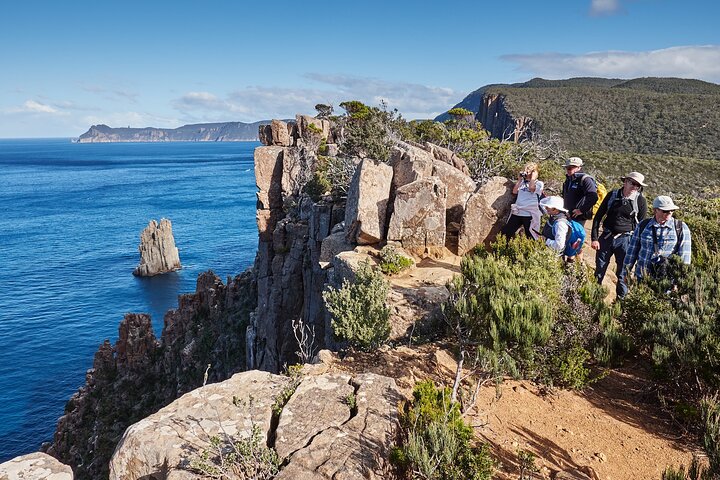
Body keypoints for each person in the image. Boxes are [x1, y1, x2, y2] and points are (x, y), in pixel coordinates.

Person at [590, 172, 648, 298]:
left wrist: (638, 248)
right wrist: (594, 238)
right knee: (599, 269)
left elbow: (641, 226)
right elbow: (598, 217)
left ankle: (621, 304)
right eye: (633, 183)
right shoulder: (613, 195)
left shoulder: (640, 201)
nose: (635, 187)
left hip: (626, 240)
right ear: (625, 182)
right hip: (606, 237)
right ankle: (593, 298)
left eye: (638, 185)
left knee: (623, 273)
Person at [623, 195, 692, 282]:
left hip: (666, 281)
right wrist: (626, 272)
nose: (669, 213)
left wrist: (679, 282)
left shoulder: (680, 228)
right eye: (665, 211)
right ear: (655, 210)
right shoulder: (643, 225)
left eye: (672, 210)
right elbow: (632, 251)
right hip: (642, 277)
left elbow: (685, 257)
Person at [501, 162, 544, 239]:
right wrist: (519, 180)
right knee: (506, 233)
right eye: (525, 169)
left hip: (530, 214)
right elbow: (514, 191)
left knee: (531, 236)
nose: (526, 172)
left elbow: (531, 188)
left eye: (529, 170)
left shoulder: (539, 183)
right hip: (518, 212)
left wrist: (533, 178)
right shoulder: (522, 183)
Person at [562, 156, 599, 227]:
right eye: (567, 168)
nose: (568, 170)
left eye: (570, 168)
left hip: (578, 217)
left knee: (575, 236)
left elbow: (593, 197)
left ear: (579, 167)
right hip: (568, 215)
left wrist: (581, 210)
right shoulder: (569, 179)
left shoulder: (585, 179)